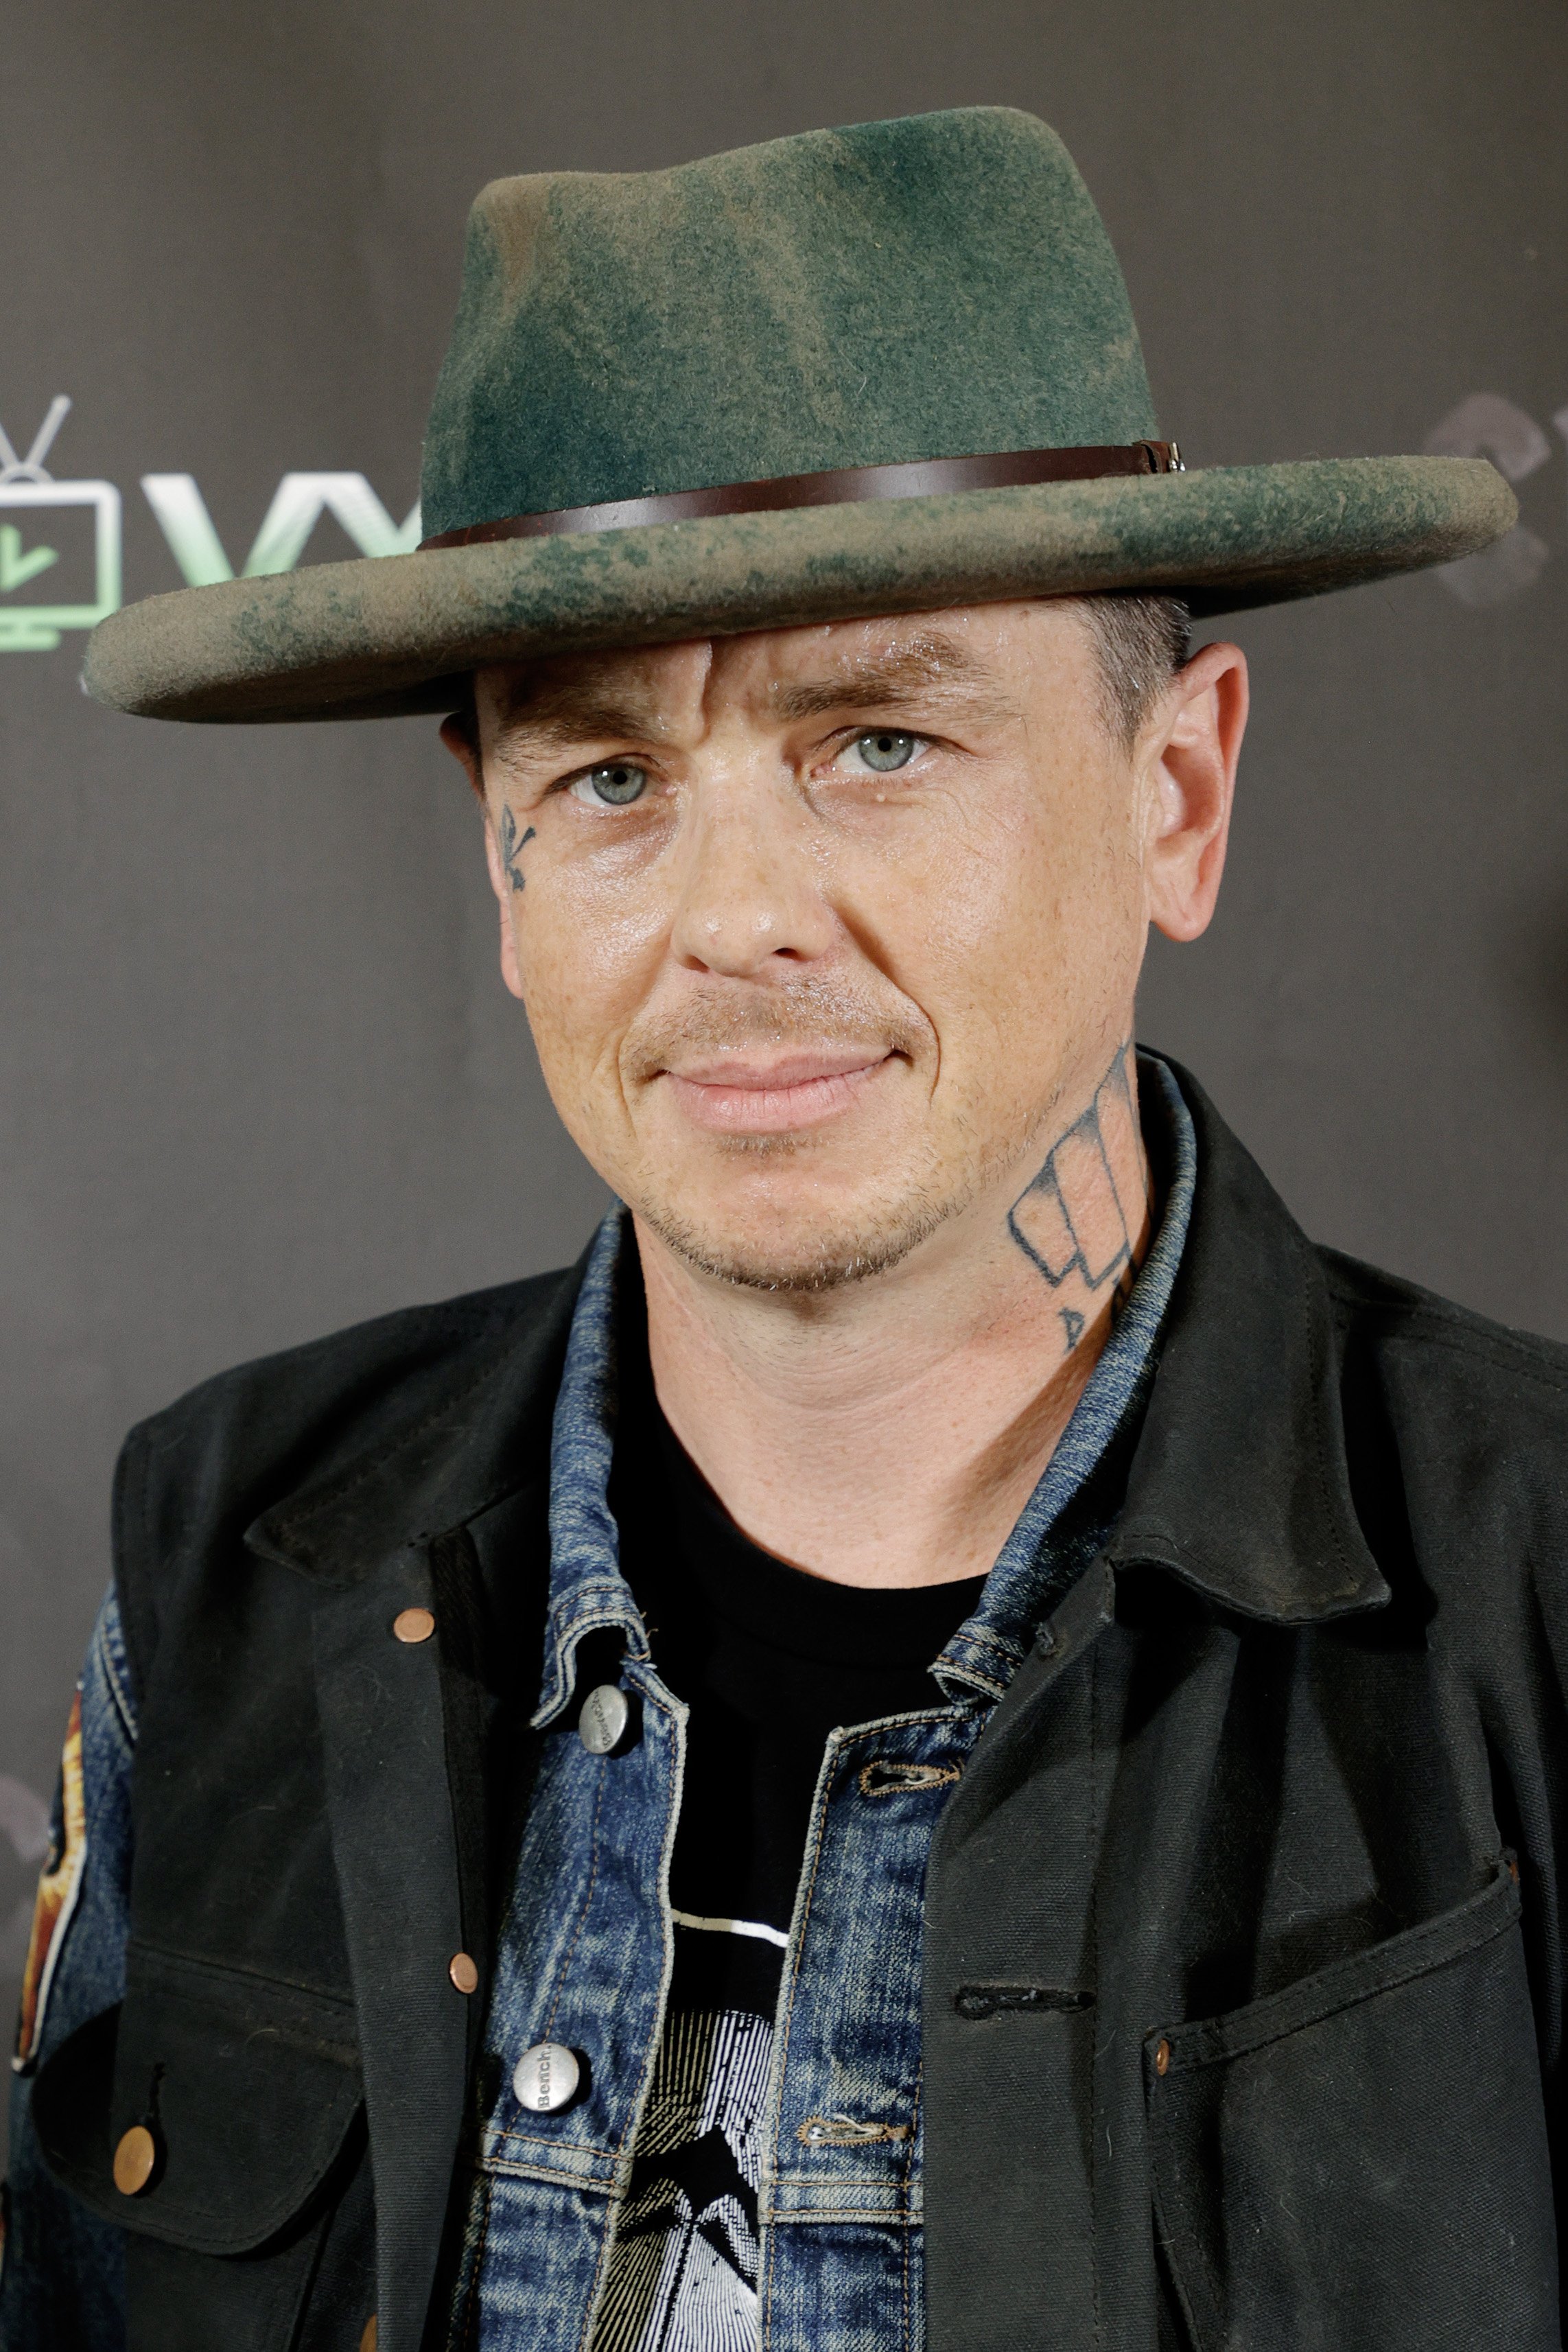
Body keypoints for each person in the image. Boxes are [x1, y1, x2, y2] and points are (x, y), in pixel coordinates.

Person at [2, 103, 1554, 2352]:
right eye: (610, 779)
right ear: (502, 862)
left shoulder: (1537, 1597)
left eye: (879, 744)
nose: (733, 920)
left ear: (1178, 797)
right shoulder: (235, 1558)